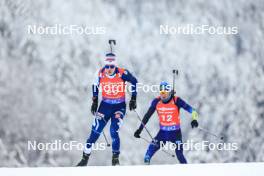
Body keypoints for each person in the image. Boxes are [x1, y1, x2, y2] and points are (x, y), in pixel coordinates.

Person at [77, 53, 138, 166]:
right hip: (104, 106)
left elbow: (134, 81)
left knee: (113, 130)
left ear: (115, 66)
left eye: (112, 66)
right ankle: (84, 159)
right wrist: (94, 101)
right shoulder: (100, 73)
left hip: (119, 107)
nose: (109, 69)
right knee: (94, 132)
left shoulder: (122, 73)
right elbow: (95, 85)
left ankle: (115, 159)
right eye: (107, 66)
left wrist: (134, 98)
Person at [134, 81, 199, 164]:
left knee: (179, 155)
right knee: (148, 154)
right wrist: (139, 130)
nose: (162, 95)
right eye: (161, 92)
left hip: (175, 133)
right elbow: (147, 116)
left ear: (169, 92)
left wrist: (194, 119)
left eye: (165, 92)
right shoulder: (156, 102)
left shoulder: (176, 100)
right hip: (163, 133)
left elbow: (193, 111)